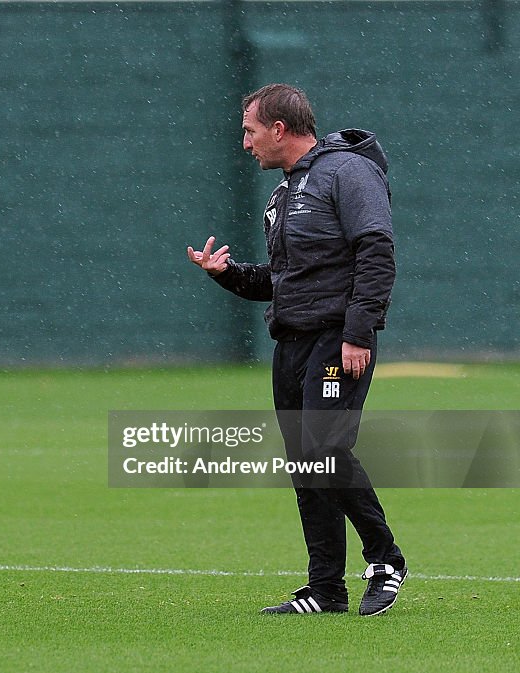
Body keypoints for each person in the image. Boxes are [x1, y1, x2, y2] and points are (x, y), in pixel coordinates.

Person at [187, 84, 407, 617]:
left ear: (279, 130)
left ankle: (386, 558)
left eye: (250, 131)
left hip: (337, 337)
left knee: (323, 449)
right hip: (293, 341)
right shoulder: (285, 193)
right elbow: (286, 281)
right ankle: (325, 589)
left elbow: (376, 249)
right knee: (306, 461)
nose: (245, 144)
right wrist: (229, 276)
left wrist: (358, 331)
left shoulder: (346, 173)